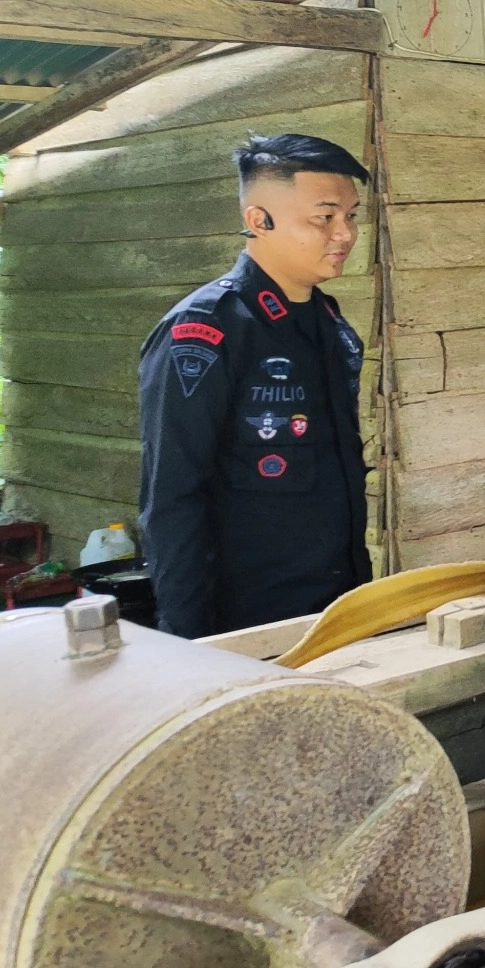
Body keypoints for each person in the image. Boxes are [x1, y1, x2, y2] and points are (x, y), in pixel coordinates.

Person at [138, 134, 372, 638]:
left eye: (351, 216)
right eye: (324, 217)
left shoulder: (327, 321)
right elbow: (172, 496)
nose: (345, 234)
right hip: (246, 621)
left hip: (336, 607)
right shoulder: (206, 329)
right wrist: (188, 642)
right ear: (259, 220)